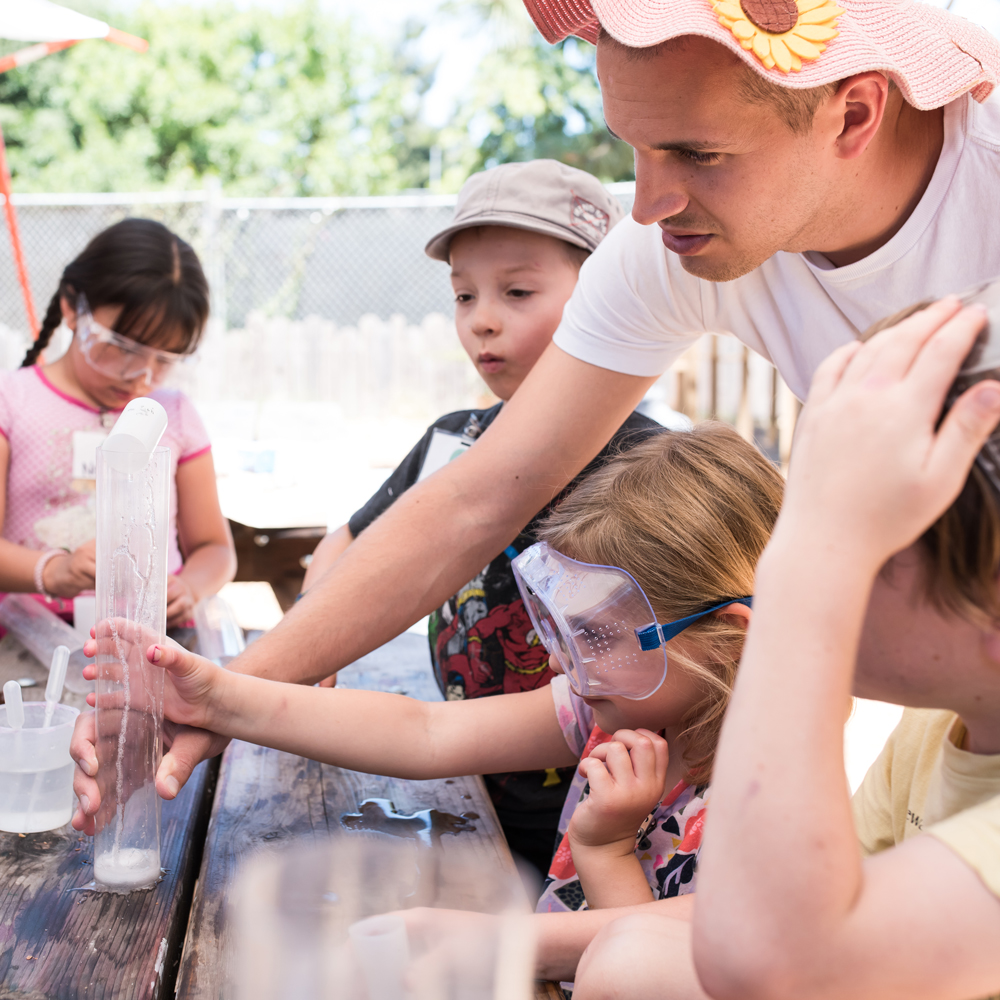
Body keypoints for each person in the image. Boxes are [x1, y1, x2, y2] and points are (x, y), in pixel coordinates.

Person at [70, 0, 1000, 821]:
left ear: (855, 110)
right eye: (632, 147)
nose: (648, 202)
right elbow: (481, 493)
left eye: (696, 154)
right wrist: (212, 697)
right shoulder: (670, 243)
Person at [72, 424, 782, 986]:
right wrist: (221, 696)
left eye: (596, 635)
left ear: (723, 642)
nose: (566, 662)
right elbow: (427, 732)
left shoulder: (772, 806)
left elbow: (656, 966)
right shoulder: (610, 708)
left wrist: (598, 853)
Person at [572, 296, 1000, 999]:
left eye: (860, 528)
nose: (786, 550)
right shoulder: (935, 731)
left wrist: (806, 579)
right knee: (633, 950)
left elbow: (772, 966)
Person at [300, 159, 662, 879]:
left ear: (606, 293)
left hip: (613, 814)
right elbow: (348, 541)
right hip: (464, 782)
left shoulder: (648, 464)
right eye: (464, 295)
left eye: (517, 291)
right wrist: (319, 639)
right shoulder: (454, 439)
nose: (482, 318)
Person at [0, 218, 236, 629]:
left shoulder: (174, 413)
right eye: (123, 349)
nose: (142, 377)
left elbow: (215, 548)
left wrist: (191, 587)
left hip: (149, 639)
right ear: (73, 307)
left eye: (164, 360)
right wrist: (54, 571)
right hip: (31, 638)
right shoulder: (13, 402)